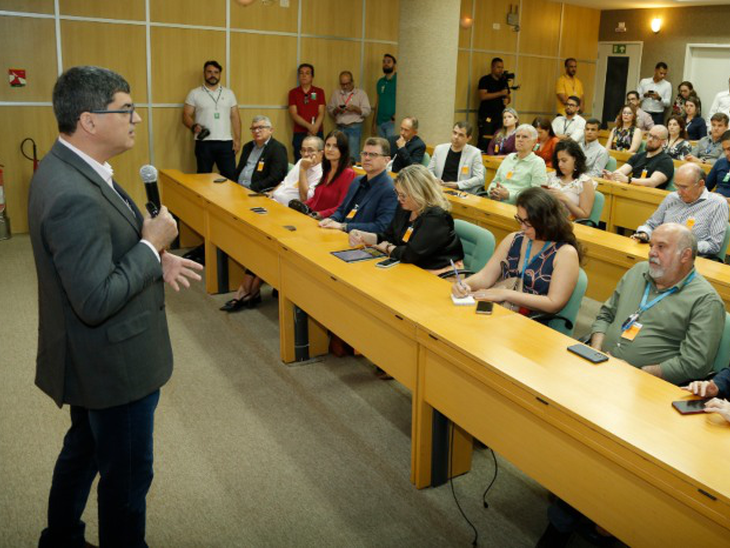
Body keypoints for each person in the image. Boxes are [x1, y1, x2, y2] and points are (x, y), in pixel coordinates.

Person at [29, 65, 203, 548]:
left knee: (82, 451)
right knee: (127, 480)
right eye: (126, 110)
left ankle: (60, 537)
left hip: (90, 357)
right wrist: (149, 249)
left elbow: (98, 254)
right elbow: (94, 298)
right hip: (113, 361)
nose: (137, 119)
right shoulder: (73, 194)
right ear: (89, 120)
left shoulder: (70, 168)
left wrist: (156, 258)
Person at [540, 225, 725, 547]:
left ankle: (573, 518)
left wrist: (633, 373)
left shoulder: (705, 300)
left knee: (598, 454)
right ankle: (570, 492)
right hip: (602, 371)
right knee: (551, 411)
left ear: (685, 256)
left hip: (646, 396)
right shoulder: (639, 271)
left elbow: (693, 363)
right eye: (652, 245)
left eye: (662, 247)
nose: (651, 252)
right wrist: (598, 349)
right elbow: (606, 313)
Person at [451, 187, 581, 315]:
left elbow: (553, 303)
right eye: (520, 219)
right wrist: (464, 284)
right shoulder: (514, 238)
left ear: (547, 221)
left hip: (531, 321)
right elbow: (486, 276)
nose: (522, 227)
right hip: (501, 310)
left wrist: (507, 294)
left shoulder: (565, 253)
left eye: (528, 222)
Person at [348, 164, 464, 271]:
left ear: (419, 193)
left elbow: (410, 255)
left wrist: (387, 247)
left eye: (403, 195)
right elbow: (388, 235)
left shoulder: (436, 218)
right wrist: (364, 236)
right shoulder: (405, 207)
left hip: (438, 272)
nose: (398, 199)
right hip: (411, 267)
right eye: (397, 193)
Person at [632, 163, 729, 257]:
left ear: (701, 184)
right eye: (676, 186)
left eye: (684, 187)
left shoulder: (717, 204)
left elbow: (714, 245)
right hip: (662, 254)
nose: (678, 192)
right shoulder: (672, 198)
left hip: (693, 259)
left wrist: (684, 248)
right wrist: (644, 234)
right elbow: (651, 224)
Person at [319, 137, 398, 233]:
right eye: (364, 153)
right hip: (341, 233)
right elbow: (342, 210)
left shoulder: (390, 189)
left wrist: (344, 226)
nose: (367, 158)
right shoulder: (357, 181)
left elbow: (381, 226)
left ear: (386, 160)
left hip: (363, 242)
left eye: (373, 155)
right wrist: (332, 219)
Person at [183, 60, 241, 180]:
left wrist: (237, 139)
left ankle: (228, 199)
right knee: (203, 179)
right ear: (204, 73)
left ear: (220, 74)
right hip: (204, 142)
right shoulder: (195, 93)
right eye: (209, 72)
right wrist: (193, 126)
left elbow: (235, 117)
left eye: (216, 72)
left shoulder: (229, 93)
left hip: (226, 142)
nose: (212, 75)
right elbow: (186, 116)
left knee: (230, 177)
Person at [299, 129, 357, 219]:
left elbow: (342, 207)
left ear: (343, 149)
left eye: (335, 146)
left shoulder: (348, 173)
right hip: (312, 216)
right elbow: (316, 199)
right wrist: (301, 206)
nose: (330, 149)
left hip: (327, 221)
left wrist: (320, 214)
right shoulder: (327, 169)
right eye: (328, 145)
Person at [487, 124, 547, 205]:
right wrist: (492, 192)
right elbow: (495, 181)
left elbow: (536, 196)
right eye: (517, 136)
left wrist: (509, 196)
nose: (520, 139)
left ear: (534, 142)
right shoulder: (509, 158)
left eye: (524, 137)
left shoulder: (538, 163)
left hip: (518, 207)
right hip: (495, 201)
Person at [602, 125, 674, 189]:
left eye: (655, 138)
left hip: (648, 197)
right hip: (631, 190)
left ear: (664, 142)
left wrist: (628, 180)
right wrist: (612, 175)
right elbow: (622, 171)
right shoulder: (638, 156)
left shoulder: (666, 161)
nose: (650, 139)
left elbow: (652, 182)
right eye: (649, 135)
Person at [234, 115, 289, 192]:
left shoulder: (277, 149)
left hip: (257, 191)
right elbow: (239, 169)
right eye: (253, 128)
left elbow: (276, 177)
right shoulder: (247, 146)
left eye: (260, 128)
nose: (256, 131)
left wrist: (252, 187)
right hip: (238, 188)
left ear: (271, 130)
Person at [428, 121, 485, 194]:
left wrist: (458, 185)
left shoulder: (474, 153)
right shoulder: (439, 149)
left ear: (468, 138)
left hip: (460, 192)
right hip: (439, 190)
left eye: (461, 135)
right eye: (454, 133)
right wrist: (435, 179)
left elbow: (479, 178)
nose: (456, 137)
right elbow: (429, 170)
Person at [546, 139, 597, 220]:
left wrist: (564, 199)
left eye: (564, 160)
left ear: (575, 159)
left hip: (568, 224)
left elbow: (585, 215)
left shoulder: (584, 182)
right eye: (558, 160)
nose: (560, 164)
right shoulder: (551, 177)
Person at [326, 70, 371, 163]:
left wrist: (356, 109)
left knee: (353, 156)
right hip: (339, 128)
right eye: (343, 84)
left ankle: (354, 176)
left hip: (354, 127)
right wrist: (337, 110)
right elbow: (330, 110)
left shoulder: (361, 93)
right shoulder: (336, 94)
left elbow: (367, 111)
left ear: (352, 82)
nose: (345, 86)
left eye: (347, 84)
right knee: (338, 155)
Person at [270, 136, 324, 206]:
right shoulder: (301, 161)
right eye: (303, 150)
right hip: (274, 200)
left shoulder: (322, 172)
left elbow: (305, 198)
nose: (305, 154)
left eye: (310, 150)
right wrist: (271, 192)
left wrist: (303, 169)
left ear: (321, 153)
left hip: (290, 208)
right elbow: (285, 182)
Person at [288, 63, 325, 162]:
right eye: (301, 73)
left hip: (317, 131)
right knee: (300, 161)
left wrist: (315, 128)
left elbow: (321, 112)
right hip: (300, 133)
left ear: (312, 77)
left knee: (317, 161)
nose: (304, 75)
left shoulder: (319, 92)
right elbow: (294, 114)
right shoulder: (293, 93)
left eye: (307, 73)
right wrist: (310, 127)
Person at [477, 57, 511, 152]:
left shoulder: (503, 81)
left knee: (498, 140)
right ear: (492, 67)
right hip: (487, 116)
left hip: (500, 116)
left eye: (502, 67)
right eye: (498, 67)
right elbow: (483, 96)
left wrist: (507, 100)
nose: (501, 70)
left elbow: (508, 96)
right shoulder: (485, 80)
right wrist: (500, 93)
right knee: (484, 140)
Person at [637, 62, 672, 126]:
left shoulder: (667, 85)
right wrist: (645, 95)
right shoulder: (644, 81)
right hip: (644, 111)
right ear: (655, 70)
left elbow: (668, 103)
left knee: (657, 134)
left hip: (658, 114)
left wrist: (659, 98)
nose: (663, 76)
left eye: (665, 74)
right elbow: (637, 98)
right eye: (661, 73)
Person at [372, 53, 397, 139]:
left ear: (394, 65)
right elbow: (377, 103)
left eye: (389, 62)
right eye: (384, 62)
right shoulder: (380, 82)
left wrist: (396, 115)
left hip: (392, 123)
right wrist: (374, 123)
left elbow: (404, 100)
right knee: (382, 150)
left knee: (391, 149)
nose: (385, 64)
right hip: (380, 123)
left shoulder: (399, 80)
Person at [706, 130, 730, 198]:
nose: (726, 153)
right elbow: (706, 187)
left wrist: (726, 200)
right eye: (724, 149)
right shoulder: (720, 163)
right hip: (715, 202)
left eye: (729, 149)